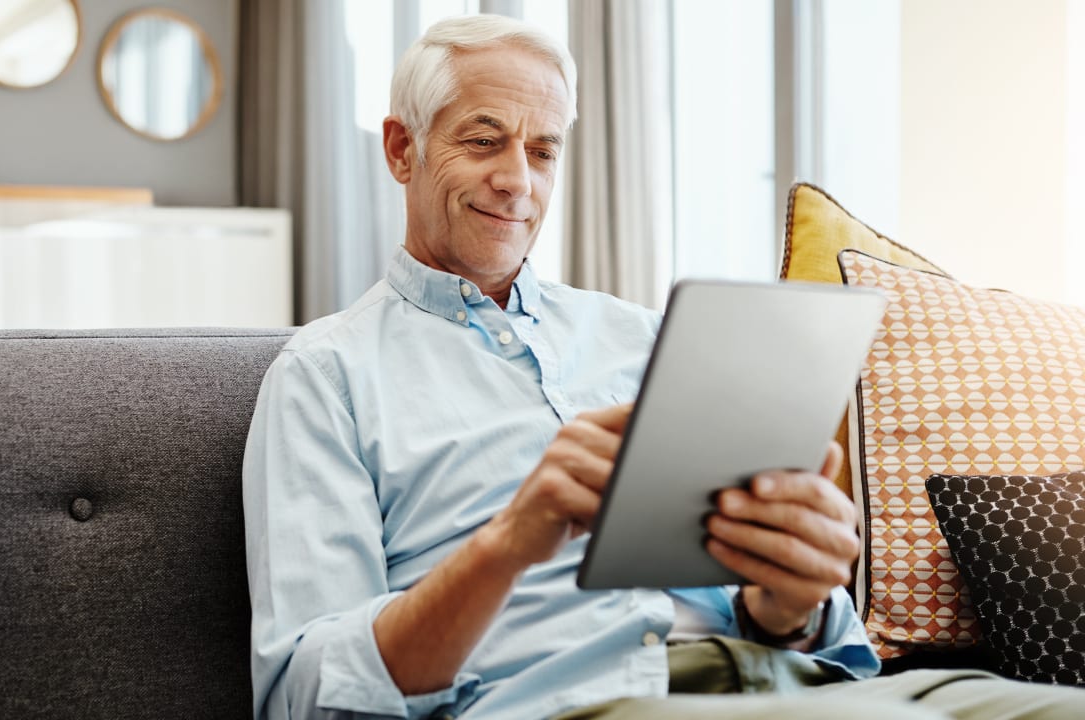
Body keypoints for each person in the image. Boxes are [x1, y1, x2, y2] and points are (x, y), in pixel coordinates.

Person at [243, 14, 1085, 720]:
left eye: (542, 150)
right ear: (401, 149)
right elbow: (305, 692)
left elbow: (800, 628)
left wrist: (791, 599)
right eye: (483, 141)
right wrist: (507, 544)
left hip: (796, 682)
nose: (516, 181)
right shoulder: (325, 375)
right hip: (578, 703)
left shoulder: (651, 338)